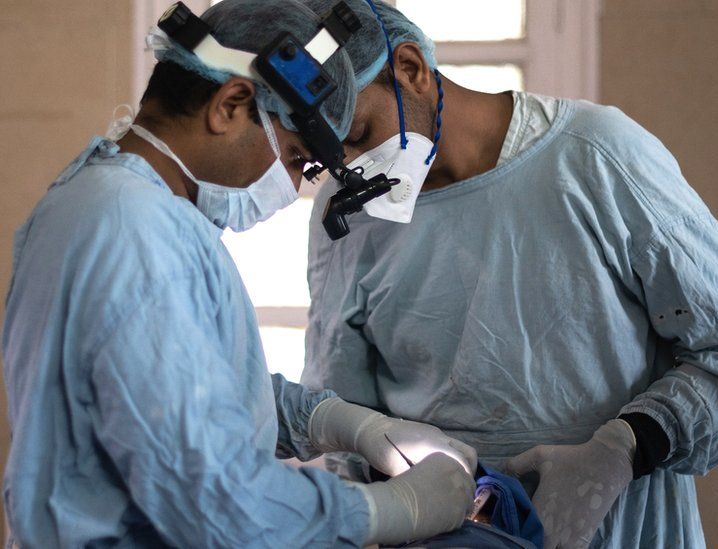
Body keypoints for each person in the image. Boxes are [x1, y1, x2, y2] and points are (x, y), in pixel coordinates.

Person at [300, 1, 718, 548]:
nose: (354, 166)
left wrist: (623, 449)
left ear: (410, 69)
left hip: (617, 522)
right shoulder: (350, 212)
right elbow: (340, 408)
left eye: (359, 131)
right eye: (331, 155)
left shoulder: (597, 155)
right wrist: (389, 500)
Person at [1, 0, 480, 546]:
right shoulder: (134, 231)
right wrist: (393, 509)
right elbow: (216, 503)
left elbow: (189, 393)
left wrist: (338, 424)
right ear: (230, 104)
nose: (296, 185)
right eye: (299, 158)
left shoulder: (107, 201)